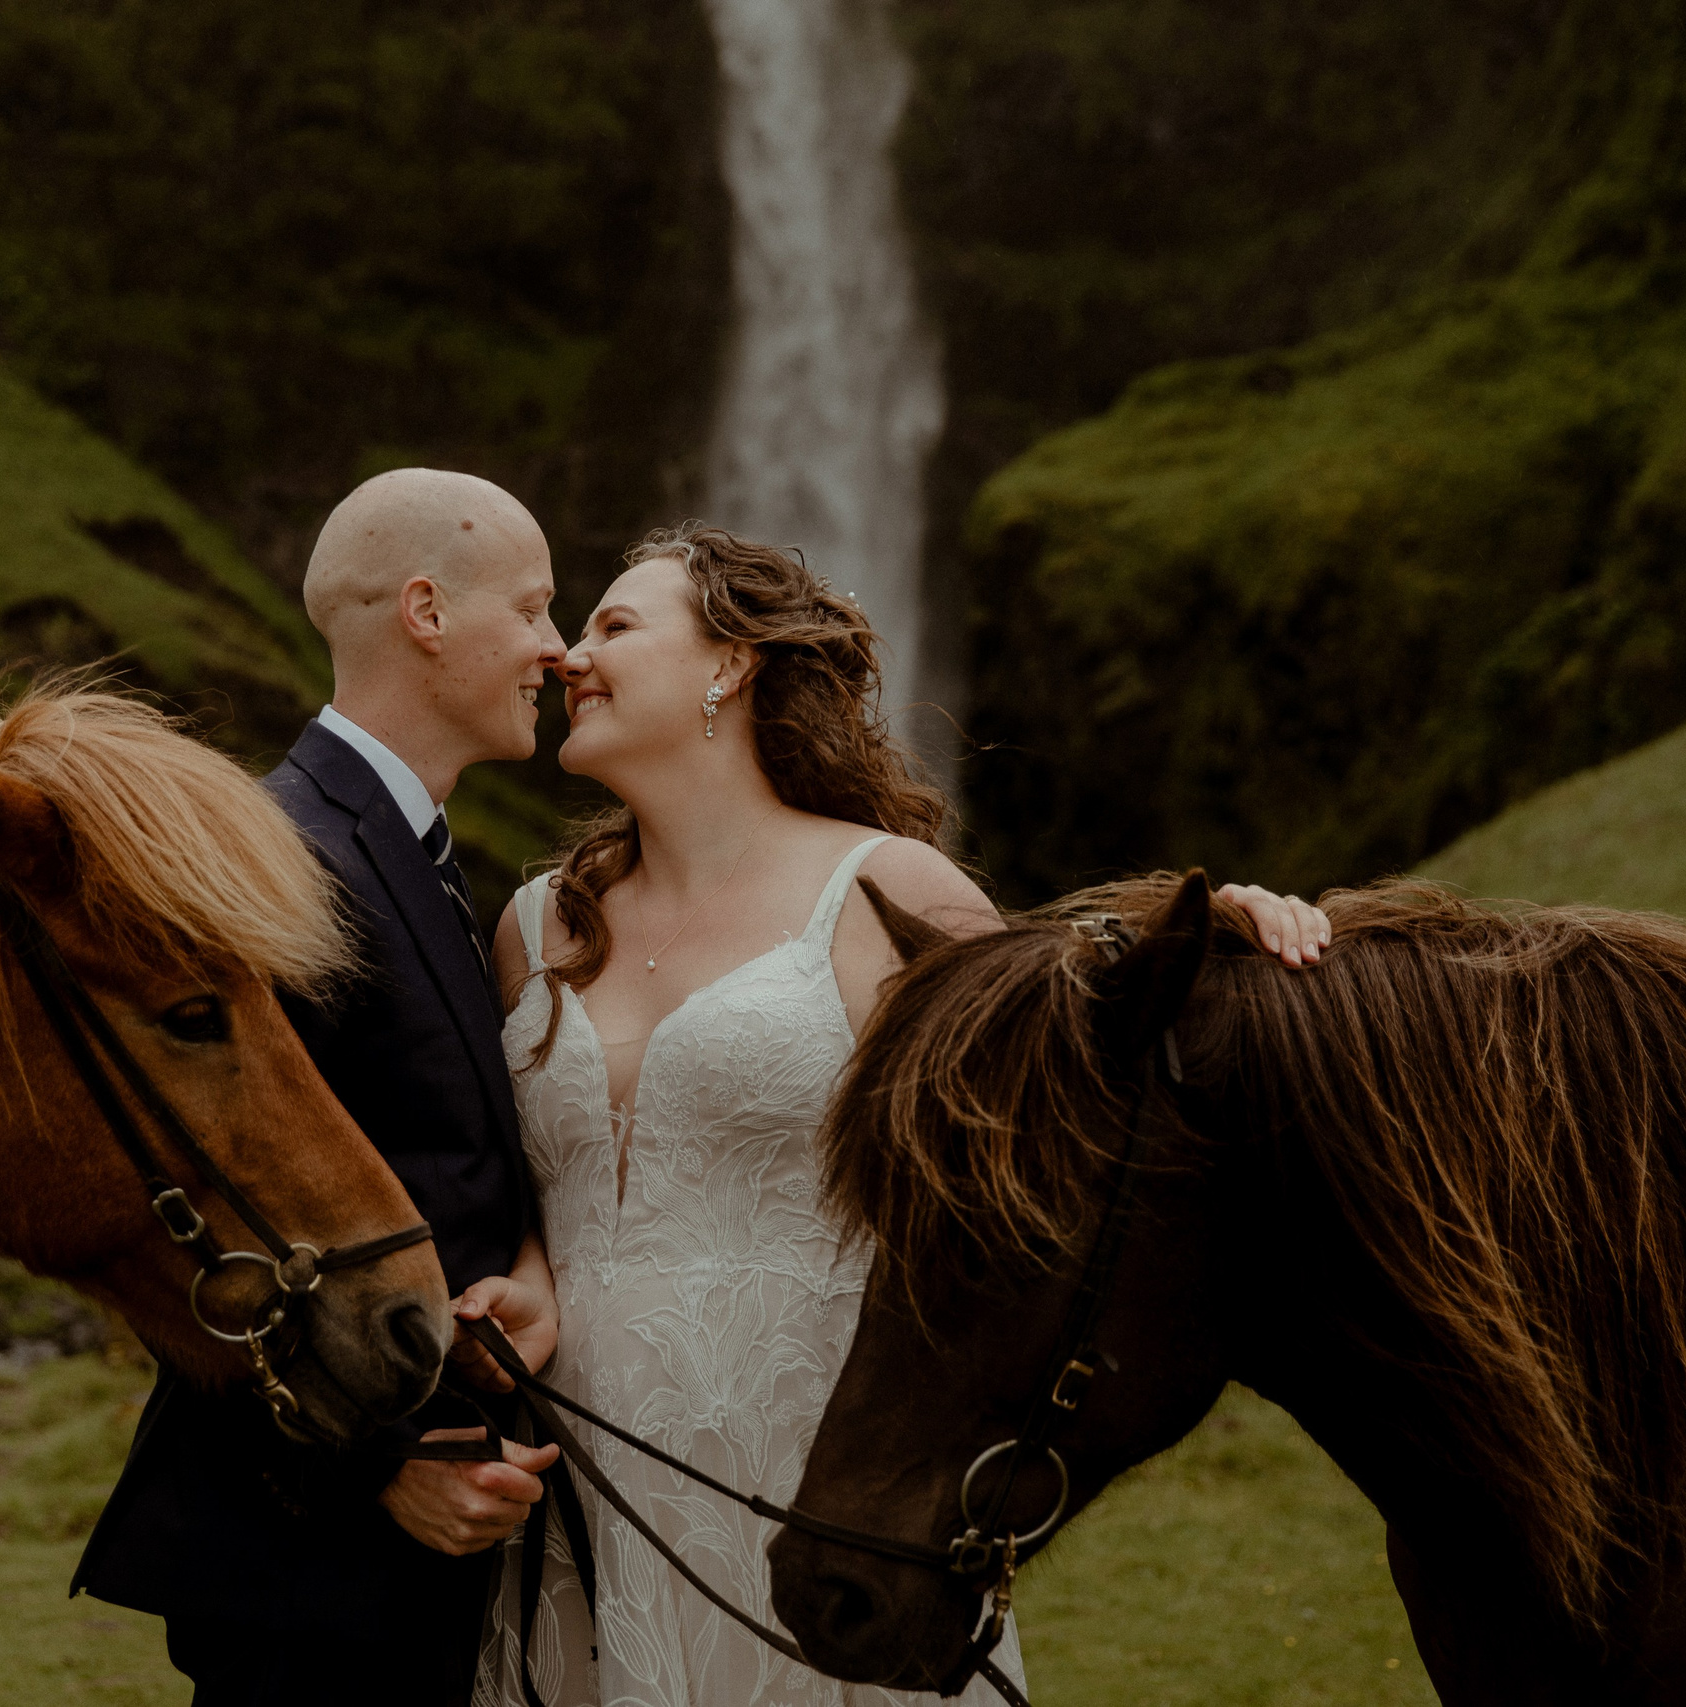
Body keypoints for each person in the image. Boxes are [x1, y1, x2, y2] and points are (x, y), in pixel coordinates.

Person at [470, 524, 1331, 1706]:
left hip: (818, 1454)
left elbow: (1070, 1065)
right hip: (583, 1473)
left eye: (613, 626)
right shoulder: (534, 925)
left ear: (731, 664)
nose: (570, 656)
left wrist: (1221, 933)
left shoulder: (886, 891)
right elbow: (514, 1185)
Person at [70, 468, 578, 1705]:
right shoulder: (281, 855)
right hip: (316, 1560)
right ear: (425, 612)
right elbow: (182, 1218)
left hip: (420, 1555)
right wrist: (382, 1466)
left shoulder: (404, 843)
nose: (557, 651)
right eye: (532, 609)